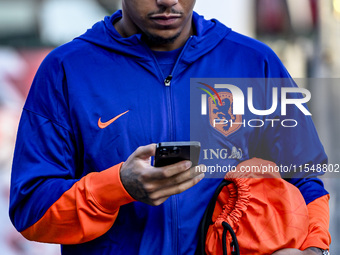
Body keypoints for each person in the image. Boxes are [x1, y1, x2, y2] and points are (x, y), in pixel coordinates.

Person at [9, 0, 330, 254]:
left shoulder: (253, 62)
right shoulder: (67, 70)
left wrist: (313, 251)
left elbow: (305, 178)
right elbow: (31, 209)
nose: (168, 1)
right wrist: (117, 186)